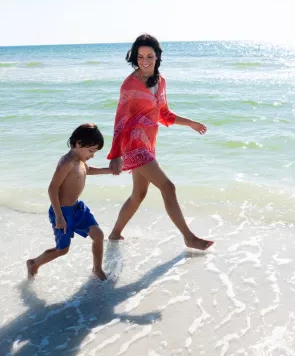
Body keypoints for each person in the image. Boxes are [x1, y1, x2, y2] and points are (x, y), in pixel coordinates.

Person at [107, 34, 214, 251]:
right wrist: (116, 154)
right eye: (140, 57)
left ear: (157, 57)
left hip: (148, 143)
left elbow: (163, 114)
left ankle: (114, 235)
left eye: (150, 56)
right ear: (134, 58)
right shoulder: (129, 85)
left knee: (139, 194)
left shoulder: (161, 81)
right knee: (168, 187)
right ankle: (188, 237)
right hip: (133, 144)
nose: (145, 61)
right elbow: (120, 120)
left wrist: (190, 123)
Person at [27, 123, 111, 280]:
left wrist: (108, 170)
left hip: (78, 208)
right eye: (91, 151)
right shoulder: (67, 162)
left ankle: (97, 268)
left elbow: (87, 170)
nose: (92, 155)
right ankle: (34, 263)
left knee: (98, 235)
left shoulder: (80, 160)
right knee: (62, 249)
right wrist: (59, 215)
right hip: (63, 211)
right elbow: (52, 188)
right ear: (78, 143)